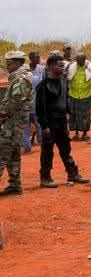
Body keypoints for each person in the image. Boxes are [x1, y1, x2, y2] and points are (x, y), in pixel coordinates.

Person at [35, 53, 88, 188]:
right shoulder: (43, 86)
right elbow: (40, 108)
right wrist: (44, 126)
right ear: (51, 66)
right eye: (60, 66)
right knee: (47, 151)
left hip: (62, 121)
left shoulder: (63, 82)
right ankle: (45, 178)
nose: (63, 68)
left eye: (63, 66)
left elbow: (65, 100)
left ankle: (72, 174)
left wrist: (68, 114)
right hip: (50, 123)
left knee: (66, 149)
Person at [0, 51, 34, 195]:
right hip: (14, 121)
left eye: (9, 64)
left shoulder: (21, 79)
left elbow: (14, 102)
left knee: (2, 150)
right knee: (13, 152)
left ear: (18, 63)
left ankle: (15, 184)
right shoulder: (18, 77)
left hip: (13, 122)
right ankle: (15, 185)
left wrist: (2, 114)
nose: (7, 67)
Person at [66, 53, 91, 142]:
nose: (79, 62)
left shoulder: (90, 67)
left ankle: (85, 133)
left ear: (84, 60)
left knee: (85, 115)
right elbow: (67, 78)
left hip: (85, 95)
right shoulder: (72, 67)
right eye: (77, 60)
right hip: (73, 94)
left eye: (80, 60)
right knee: (73, 114)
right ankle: (76, 133)